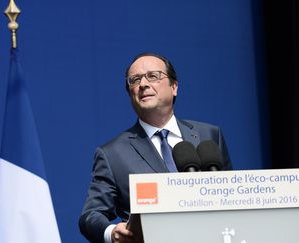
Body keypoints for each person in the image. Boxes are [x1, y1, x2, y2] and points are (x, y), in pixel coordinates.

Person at [79, 52, 232, 243]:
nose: (143, 84)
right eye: (134, 80)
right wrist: (112, 232)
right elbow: (90, 216)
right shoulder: (112, 154)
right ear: (130, 94)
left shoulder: (208, 136)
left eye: (153, 76)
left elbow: (231, 197)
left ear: (174, 87)